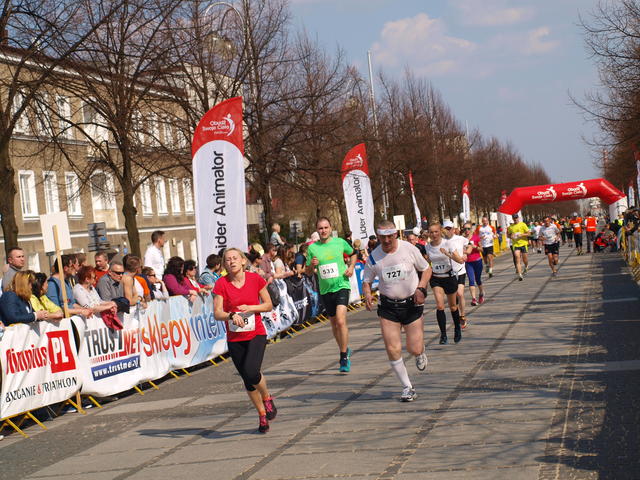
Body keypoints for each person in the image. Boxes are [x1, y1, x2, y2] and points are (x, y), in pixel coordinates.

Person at [363, 220, 431, 402]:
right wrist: (367, 294)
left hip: (411, 304)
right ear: (378, 237)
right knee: (393, 349)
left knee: (414, 348)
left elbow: (426, 270)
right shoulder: (374, 257)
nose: (386, 241)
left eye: (389, 236)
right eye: (382, 237)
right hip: (388, 307)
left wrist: (421, 288)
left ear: (395, 234)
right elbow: (367, 281)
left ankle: (420, 352)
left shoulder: (409, 249)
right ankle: (407, 387)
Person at [213, 248, 276, 433]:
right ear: (224, 264)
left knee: (251, 371)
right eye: (227, 259)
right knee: (248, 380)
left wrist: (251, 307)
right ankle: (262, 415)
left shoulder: (255, 279)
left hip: (256, 333)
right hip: (235, 338)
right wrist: (231, 315)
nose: (231, 261)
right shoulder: (221, 284)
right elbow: (217, 313)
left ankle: (266, 396)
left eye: (235, 258)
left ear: (242, 261)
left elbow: (268, 305)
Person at [306, 217, 357, 372]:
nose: (323, 231)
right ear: (317, 230)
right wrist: (311, 265)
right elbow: (308, 272)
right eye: (320, 228)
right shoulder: (312, 248)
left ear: (330, 228)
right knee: (334, 324)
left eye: (326, 227)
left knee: (341, 321)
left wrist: (351, 267)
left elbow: (354, 253)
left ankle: (343, 356)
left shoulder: (340, 242)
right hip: (325, 290)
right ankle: (344, 348)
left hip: (341, 285)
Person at [424, 223, 466, 344]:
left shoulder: (448, 244)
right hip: (436, 278)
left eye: (436, 232)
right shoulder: (428, 247)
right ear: (429, 234)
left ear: (440, 231)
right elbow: (427, 262)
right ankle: (443, 335)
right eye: (431, 232)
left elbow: (460, 260)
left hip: (449, 277)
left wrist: (447, 254)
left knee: (453, 307)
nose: (434, 234)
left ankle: (457, 329)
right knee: (440, 306)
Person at [442, 220, 469, 326]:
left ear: (453, 229)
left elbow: (469, 244)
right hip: (449, 272)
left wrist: (466, 253)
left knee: (460, 293)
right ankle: (456, 315)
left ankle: (462, 315)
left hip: (460, 270)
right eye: (446, 229)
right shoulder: (441, 241)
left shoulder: (460, 238)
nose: (448, 231)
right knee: (453, 297)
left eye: (449, 228)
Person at [465, 227, 485, 307]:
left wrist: (475, 247)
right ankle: (473, 299)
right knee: (471, 280)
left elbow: (482, 249)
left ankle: (481, 293)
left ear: (471, 229)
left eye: (468, 228)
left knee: (478, 279)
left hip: (477, 261)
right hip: (468, 262)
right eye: (465, 229)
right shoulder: (462, 239)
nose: (466, 230)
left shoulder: (476, 237)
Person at [507, 213, 531, 281]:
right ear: (512, 219)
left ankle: (526, 266)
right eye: (514, 218)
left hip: (523, 244)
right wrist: (511, 236)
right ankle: (520, 274)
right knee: (517, 257)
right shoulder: (510, 227)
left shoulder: (523, 224)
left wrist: (522, 235)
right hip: (516, 245)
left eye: (516, 218)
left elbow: (529, 233)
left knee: (525, 259)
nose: (515, 219)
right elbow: (508, 235)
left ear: (518, 218)